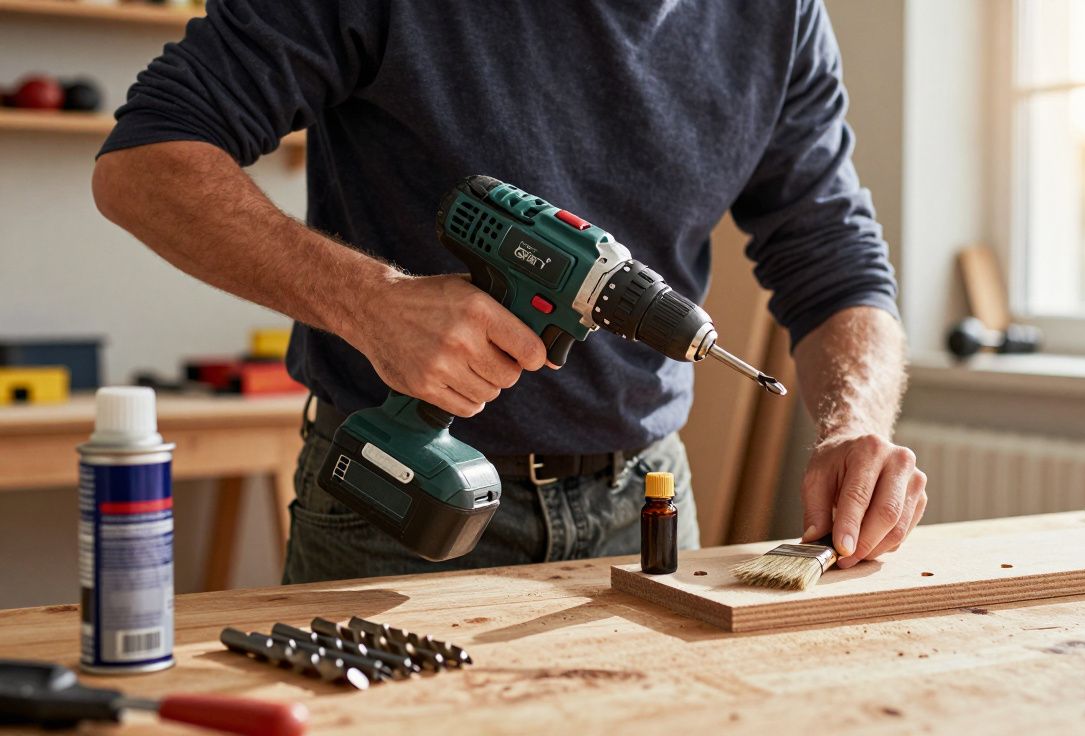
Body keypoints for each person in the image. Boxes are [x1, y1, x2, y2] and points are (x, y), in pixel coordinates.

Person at [92, 0, 927, 584]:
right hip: (400, 499)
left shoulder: (780, 17)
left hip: (644, 503)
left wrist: (853, 424)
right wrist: (374, 302)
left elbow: (836, 255)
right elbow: (144, 165)